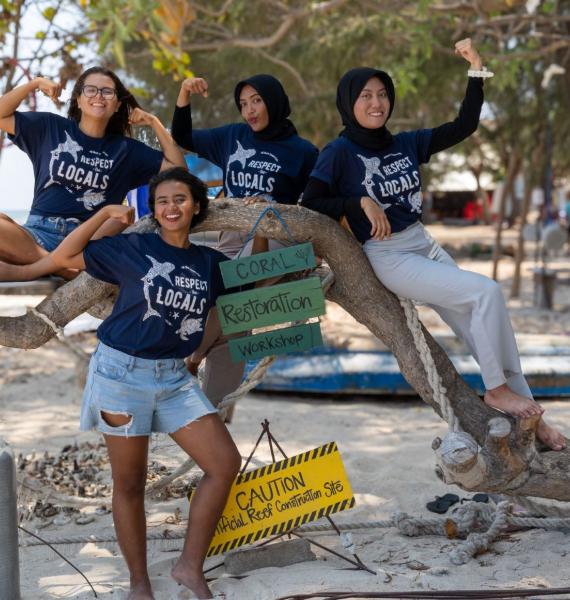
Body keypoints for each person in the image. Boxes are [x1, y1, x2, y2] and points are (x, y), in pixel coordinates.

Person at [301, 38, 566, 451]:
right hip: (390, 256)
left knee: (490, 331)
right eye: (366, 95)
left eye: (383, 94)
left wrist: (476, 69)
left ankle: (535, 421)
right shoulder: (338, 152)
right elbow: (311, 202)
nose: (377, 102)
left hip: (424, 245)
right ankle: (495, 390)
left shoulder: (405, 143)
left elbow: (464, 126)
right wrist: (357, 201)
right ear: (349, 101)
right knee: (487, 291)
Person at [39, 167, 241, 599]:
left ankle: (190, 566)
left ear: (197, 206)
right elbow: (66, 255)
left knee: (224, 464)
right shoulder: (134, 248)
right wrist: (101, 217)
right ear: (155, 208)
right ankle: (139, 584)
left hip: (173, 378)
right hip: (121, 374)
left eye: (181, 199)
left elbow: (259, 282)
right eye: (163, 200)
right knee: (129, 484)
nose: (171, 207)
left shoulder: (210, 263)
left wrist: (266, 233)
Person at [171, 73, 319, 407]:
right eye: (243, 104)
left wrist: (276, 208)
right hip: (231, 230)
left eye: (256, 101)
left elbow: (316, 204)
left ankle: (192, 362)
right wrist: (184, 93)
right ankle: (214, 409)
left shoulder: (302, 151)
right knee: (231, 311)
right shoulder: (232, 136)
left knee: (235, 293)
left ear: (274, 101)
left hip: (275, 233)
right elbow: (181, 136)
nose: (249, 110)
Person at [0, 66, 186, 281]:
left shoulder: (127, 150)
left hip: (89, 242)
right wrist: (34, 83)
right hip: (36, 235)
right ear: (78, 99)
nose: (98, 96)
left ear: (117, 105)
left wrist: (155, 122)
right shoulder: (50, 128)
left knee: (120, 217)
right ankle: (60, 265)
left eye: (107, 91)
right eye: (90, 90)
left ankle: (43, 266)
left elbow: (180, 173)